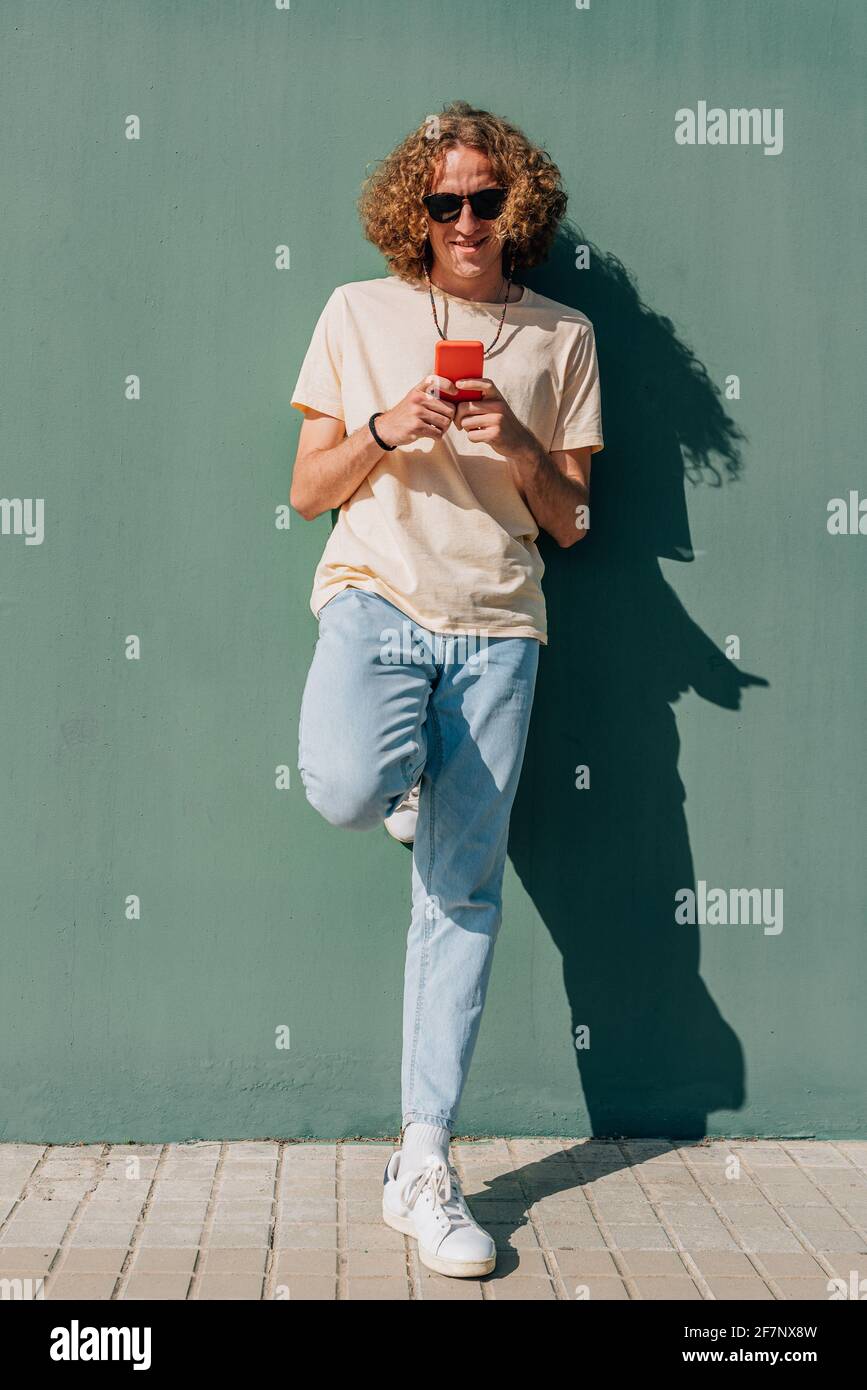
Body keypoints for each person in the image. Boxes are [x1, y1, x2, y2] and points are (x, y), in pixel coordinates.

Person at [290, 101, 603, 1278]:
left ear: (515, 204)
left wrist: (515, 440)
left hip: (498, 632)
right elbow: (310, 488)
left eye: (486, 198)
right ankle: (405, 769)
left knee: (463, 895)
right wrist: (386, 422)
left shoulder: (562, 335)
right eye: (444, 201)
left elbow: (572, 521)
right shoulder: (357, 313)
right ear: (412, 212)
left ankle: (423, 1161)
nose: (467, 219)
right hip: (377, 597)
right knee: (339, 784)